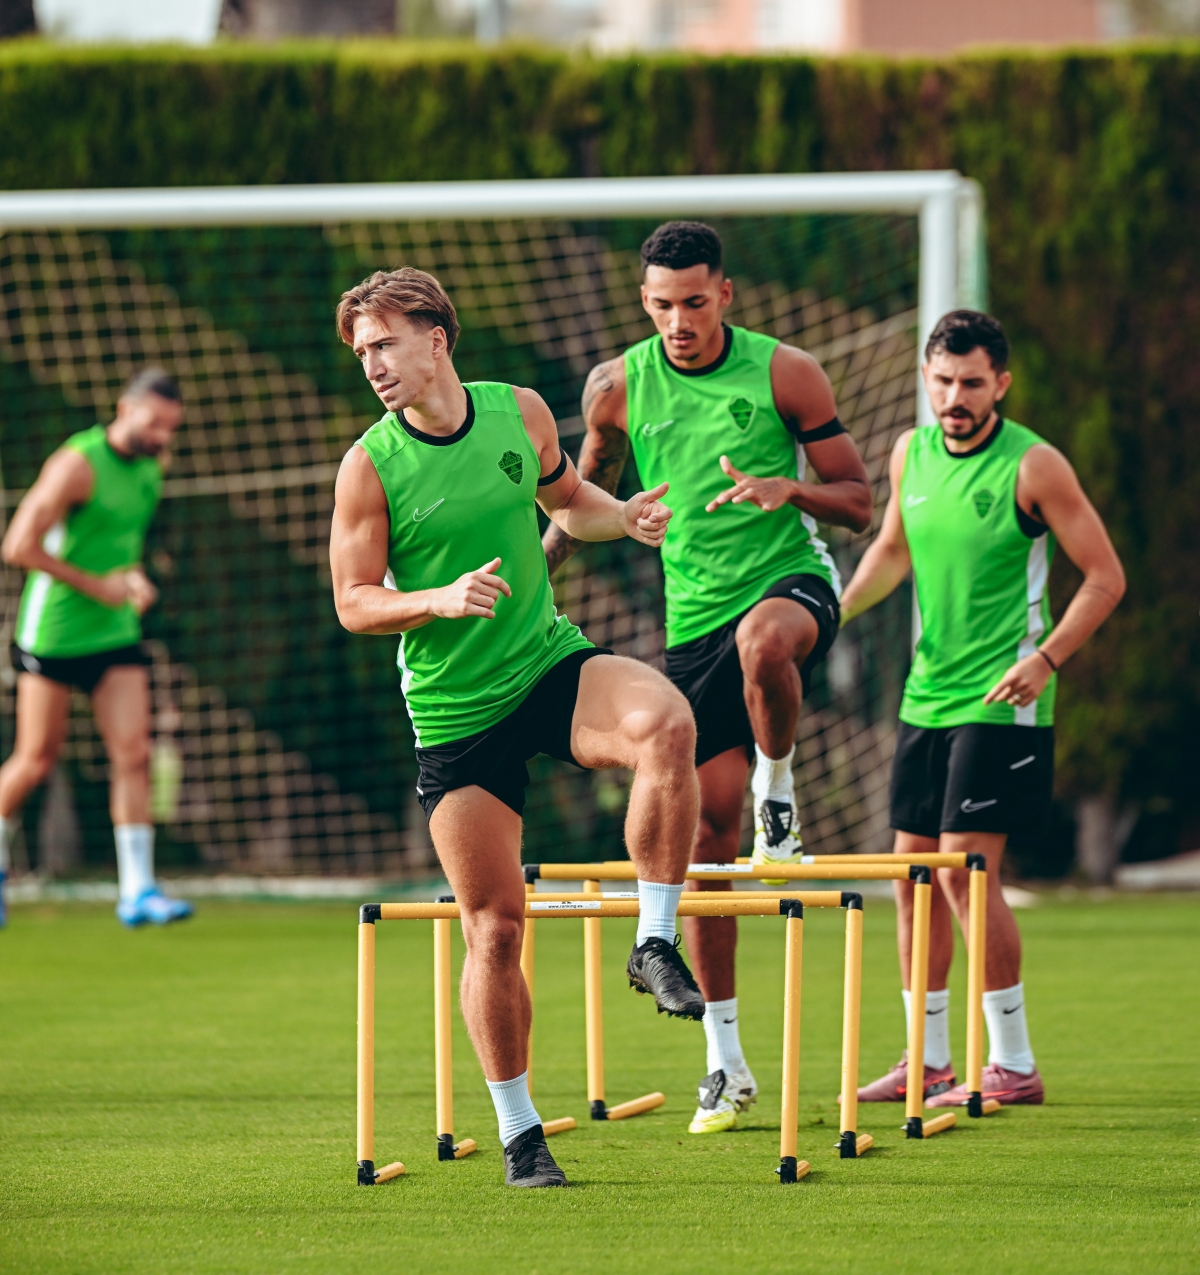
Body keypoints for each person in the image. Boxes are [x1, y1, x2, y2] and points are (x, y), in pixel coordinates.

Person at [329, 267, 703, 1190]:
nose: (372, 364)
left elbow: (568, 501)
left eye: (384, 343)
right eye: (362, 352)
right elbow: (354, 601)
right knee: (496, 929)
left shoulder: (520, 411)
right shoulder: (369, 465)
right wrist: (436, 598)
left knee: (666, 723)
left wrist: (626, 517)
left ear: (435, 339)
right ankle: (520, 1132)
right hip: (457, 713)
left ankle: (655, 939)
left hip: (546, 663)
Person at [543, 221, 873, 1134]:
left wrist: (788, 489)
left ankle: (782, 795)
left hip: (791, 583)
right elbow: (578, 501)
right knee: (706, 846)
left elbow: (857, 500)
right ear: (643, 302)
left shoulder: (786, 373)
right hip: (692, 625)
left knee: (766, 643)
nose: (679, 322)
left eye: (694, 302)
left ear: (725, 293)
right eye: (662, 306)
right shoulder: (615, 387)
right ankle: (724, 1062)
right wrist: (540, 571)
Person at [840, 309, 1125, 1108]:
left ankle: (1014, 1061)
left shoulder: (1034, 464)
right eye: (942, 381)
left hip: (1002, 698)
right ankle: (928, 1060)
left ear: (1001, 382)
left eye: (971, 382)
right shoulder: (910, 450)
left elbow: (1105, 576)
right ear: (925, 378)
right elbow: (892, 549)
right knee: (912, 877)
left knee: (965, 870)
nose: (954, 397)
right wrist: (834, 614)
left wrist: (1045, 659)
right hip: (925, 695)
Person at [0, 369, 193, 929]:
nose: (162, 436)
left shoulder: (153, 465)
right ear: (124, 409)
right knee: (35, 759)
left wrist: (132, 578)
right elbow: (18, 546)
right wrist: (97, 586)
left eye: (171, 427)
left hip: (115, 633)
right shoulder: (76, 465)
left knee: (133, 754)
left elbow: (120, 544)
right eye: (154, 423)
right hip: (54, 634)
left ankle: (138, 891)